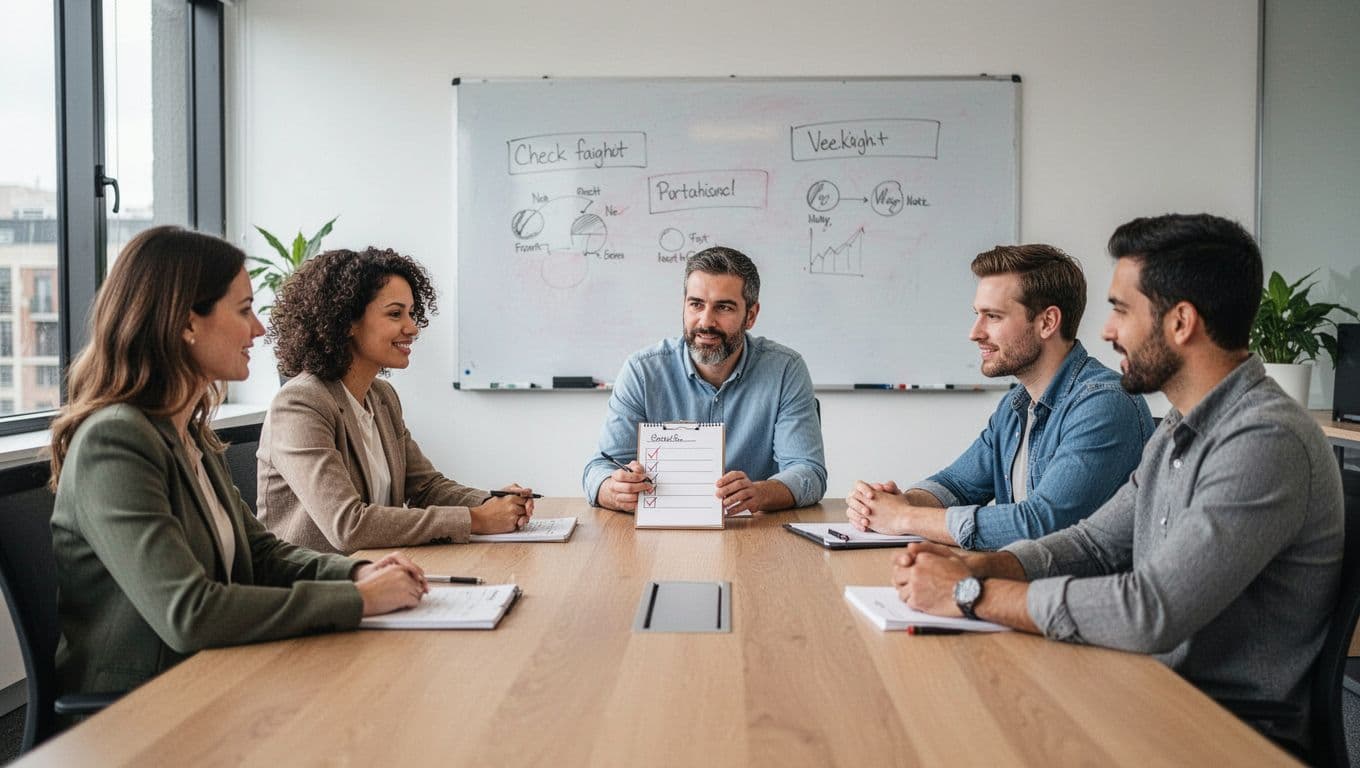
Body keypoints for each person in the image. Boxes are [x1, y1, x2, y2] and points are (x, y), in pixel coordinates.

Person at [890, 214, 1344, 749]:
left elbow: (1151, 610)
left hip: (1219, 731)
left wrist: (971, 593)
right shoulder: (1181, 425)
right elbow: (1094, 542)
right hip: (1145, 687)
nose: (1106, 332)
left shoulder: (1264, 440)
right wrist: (982, 563)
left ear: (1181, 322)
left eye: (1121, 311)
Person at [49, 226, 428, 698]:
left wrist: (355, 572)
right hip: (145, 708)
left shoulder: (187, 432)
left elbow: (261, 554)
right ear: (187, 323)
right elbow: (189, 613)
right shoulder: (116, 441)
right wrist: (357, 599)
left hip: (221, 672)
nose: (260, 329)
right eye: (244, 310)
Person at [847, 244, 1153, 550]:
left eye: (992, 316)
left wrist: (905, 518)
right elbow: (956, 485)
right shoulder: (1015, 406)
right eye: (977, 315)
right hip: (1021, 586)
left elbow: (1040, 526)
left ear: (1047, 322)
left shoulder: (1104, 404)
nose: (975, 332)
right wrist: (893, 503)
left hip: (1075, 594)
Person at [257, 247, 535, 555]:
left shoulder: (382, 397)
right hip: (315, 589)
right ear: (347, 321)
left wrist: (490, 503)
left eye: (411, 313)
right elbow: (348, 526)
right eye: (395, 313)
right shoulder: (300, 404)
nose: (413, 328)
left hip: (379, 572)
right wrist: (476, 519)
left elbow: (426, 487)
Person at [583, 246, 826, 514]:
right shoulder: (642, 371)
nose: (705, 321)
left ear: (751, 316)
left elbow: (809, 472)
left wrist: (760, 493)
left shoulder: (785, 370)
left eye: (723, 307)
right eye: (696, 304)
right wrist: (614, 490)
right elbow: (599, 469)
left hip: (754, 533)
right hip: (660, 538)